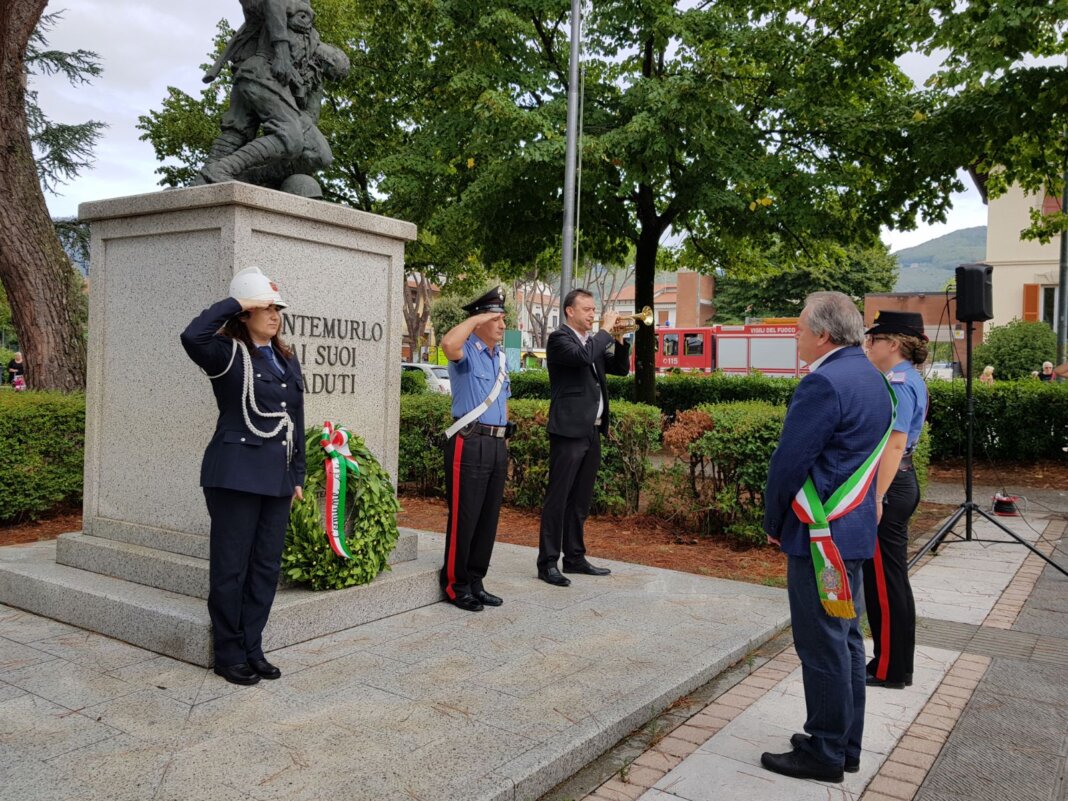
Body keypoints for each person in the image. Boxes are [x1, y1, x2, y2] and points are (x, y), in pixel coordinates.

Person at [760, 292, 894, 783]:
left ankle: (824, 752)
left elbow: (788, 464)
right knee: (848, 640)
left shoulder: (823, 383)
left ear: (822, 334)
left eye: (798, 329)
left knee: (821, 645)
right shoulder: (874, 378)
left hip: (821, 539)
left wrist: (774, 523)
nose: (795, 337)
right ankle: (844, 745)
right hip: (853, 532)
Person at [180, 266, 306, 685]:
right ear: (246, 313)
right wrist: (238, 301)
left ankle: (253, 647)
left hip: (276, 478)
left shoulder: (285, 358)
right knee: (231, 567)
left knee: (266, 566)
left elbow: (295, 422)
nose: (275, 314)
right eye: (266, 308)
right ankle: (228, 652)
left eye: (277, 308)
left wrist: (297, 476)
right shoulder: (226, 353)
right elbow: (191, 335)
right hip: (234, 475)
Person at [536, 289, 630, 587]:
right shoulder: (559, 340)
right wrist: (604, 330)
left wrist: (619, 339)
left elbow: (621, 370)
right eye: (587, 309)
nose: (592, 314)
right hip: (568, 430)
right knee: (558, 498)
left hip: (592, 430)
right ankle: (547, 562)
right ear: (569, 311)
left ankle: (574, 557)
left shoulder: (593, 341)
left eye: (594, 309)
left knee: (580, 500)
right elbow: (583, 357)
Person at [861, 312, 929, 690]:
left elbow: (896, 441)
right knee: (889, 580)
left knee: (885, 584)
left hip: (893, 483)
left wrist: (877, 495)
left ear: (895, 344)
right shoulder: (904, 379)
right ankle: (893, 663)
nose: (869, 345)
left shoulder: (899, 382)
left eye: (875, 339)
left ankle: (889, 669)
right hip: (901, 480)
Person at [439, 286, 511, 612]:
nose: (502, 324)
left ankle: (476, 579)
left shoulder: (501, 357)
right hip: (468, 441)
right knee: (465, 516)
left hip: (496, 443)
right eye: (495, 318)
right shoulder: (465, 351)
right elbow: (447, 344)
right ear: (479, 320)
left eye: (503, 318)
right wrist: (477, 318)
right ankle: (455, 584)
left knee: (487, 518)